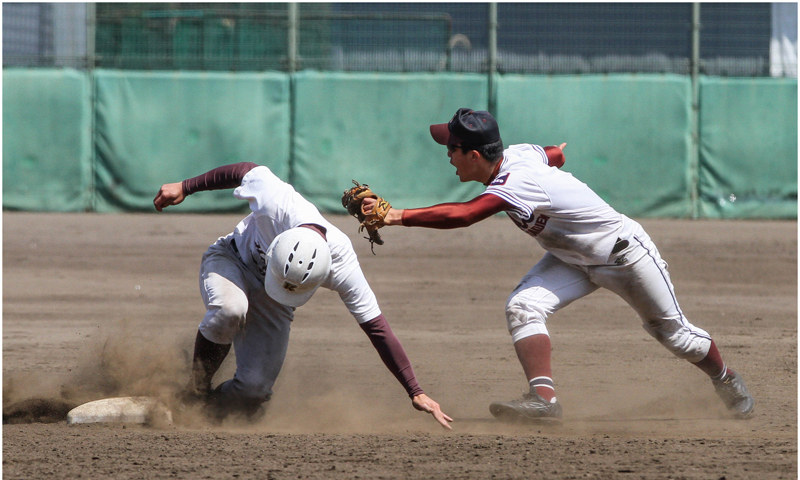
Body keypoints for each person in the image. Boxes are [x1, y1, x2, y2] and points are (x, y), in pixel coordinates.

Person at [363, 107, 755, 423]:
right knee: (523, 306)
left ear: (475, 155)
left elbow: (465, 215)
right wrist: (558, 154)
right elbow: (554, 153)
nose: (447, 154)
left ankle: (726, 379)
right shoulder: (520, 153)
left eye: (452, 148)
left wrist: (396, 216)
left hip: (624, 256)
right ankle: (543, 400)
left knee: (676, 337)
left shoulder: (513, 184)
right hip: (571, 259)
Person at [153, 162, 452, 428]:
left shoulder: (342, 263)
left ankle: (207, 410)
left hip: (275, 301)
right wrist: (185, 187)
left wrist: (415, 390)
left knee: (254, 391)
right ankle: (194, 392)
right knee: (230, 309)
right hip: (233, 261)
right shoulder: (277, 202)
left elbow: (376, 327)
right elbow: (243, 169)